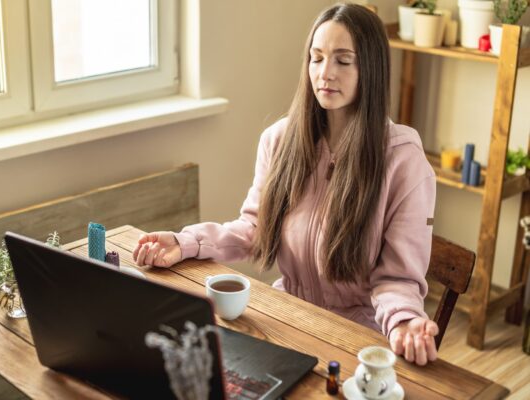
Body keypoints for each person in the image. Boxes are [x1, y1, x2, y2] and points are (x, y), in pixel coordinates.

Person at [132, 3, 438, 366]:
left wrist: (405, 322)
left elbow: (398, 279)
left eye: (343, 60)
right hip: (286, 315)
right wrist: (185, 243)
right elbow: (254, 229)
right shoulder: (279, 140)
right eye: (317, 57)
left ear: (370, 68)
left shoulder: (402, 160)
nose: (325, 73)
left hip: (356, 336)